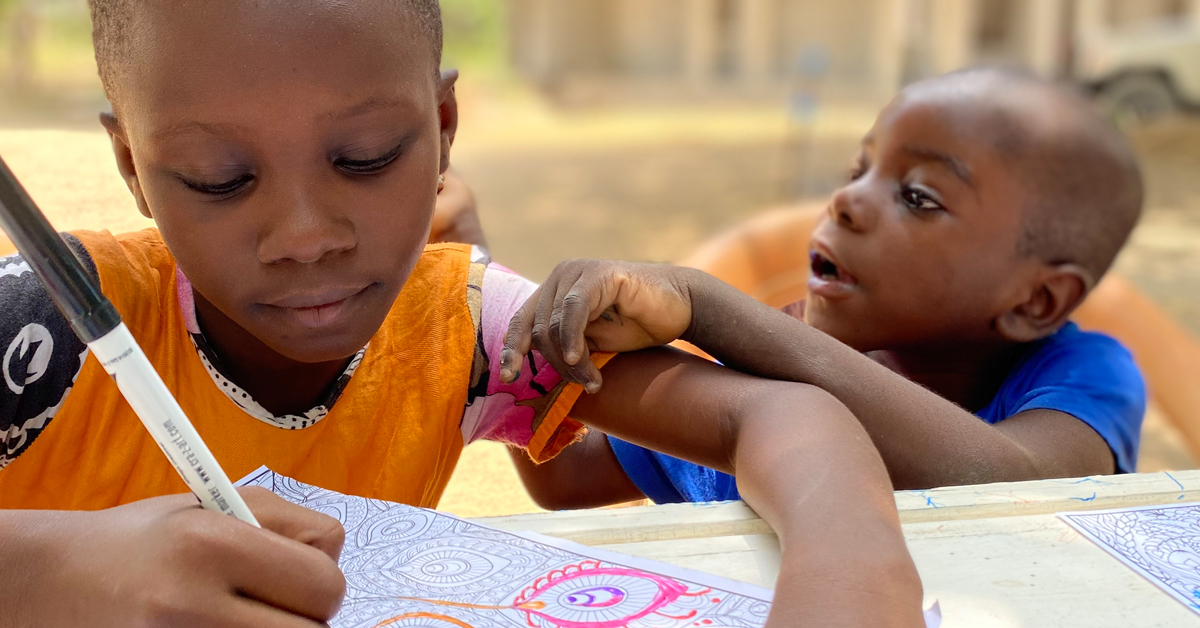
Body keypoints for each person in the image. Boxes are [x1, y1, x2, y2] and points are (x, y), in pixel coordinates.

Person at [0, 1, 924, 625]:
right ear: (132, 169)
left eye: (364, 156)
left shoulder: (464, 327)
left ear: (443, 129)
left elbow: (778, 414)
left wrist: (849, 566)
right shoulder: (41, 333)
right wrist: (52, 574)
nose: (305, 235)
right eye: (219, 179)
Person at [500, 68, 1148, 507]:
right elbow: (565, 477)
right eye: (858, 170)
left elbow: (1007, 483)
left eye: (918, 196)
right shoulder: (761, 366)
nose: (845, 201)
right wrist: (492, 295)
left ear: (1036, 301)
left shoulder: (1083, 375)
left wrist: (705, 303)